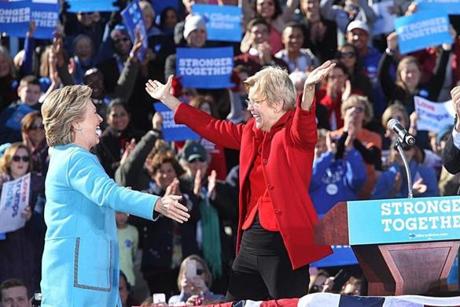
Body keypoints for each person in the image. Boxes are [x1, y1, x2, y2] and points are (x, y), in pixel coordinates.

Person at [145, 62, 334, 300]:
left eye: (256, 101)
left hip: (284, 244)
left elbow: (304, 125)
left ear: (276, 104)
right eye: (249, 101)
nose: (249, 107)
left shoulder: (293, 135)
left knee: (288, 305)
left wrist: (307, 94)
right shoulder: (249, 132)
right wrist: (169, 100)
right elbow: (210, 126)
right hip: (249, 239)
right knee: (234, 303)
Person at [39, 85, 190, 306]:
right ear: (75, 123)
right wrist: (157, 203)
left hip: (85, 277)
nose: (100, 118)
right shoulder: (75, 158)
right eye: (93, 113)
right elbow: (109, 193)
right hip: (77, 281)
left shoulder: (71, 156)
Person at [0, 143, 45, 294]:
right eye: (16, 158)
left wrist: (32, 217)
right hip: (5, 253)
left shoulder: (38, 186)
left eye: (25, 159)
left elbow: (45, 223)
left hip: (30, 253)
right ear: (7, 161)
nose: (21, 162)